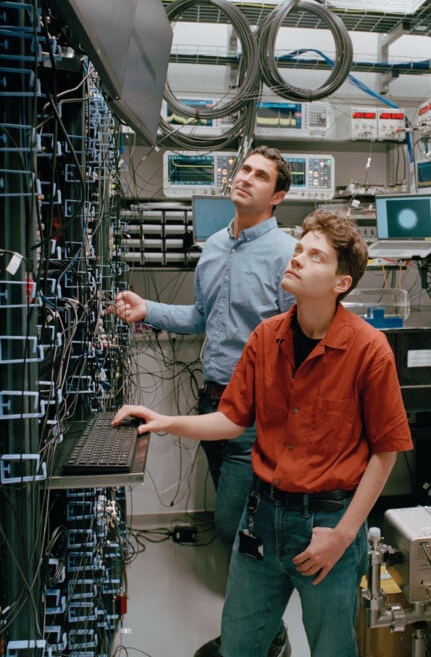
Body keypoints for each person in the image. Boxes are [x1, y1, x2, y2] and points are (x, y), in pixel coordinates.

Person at [113, 209, 413, 657]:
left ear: (341, 283)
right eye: (298, 250)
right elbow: (233, 420)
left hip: (326, 525)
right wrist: (165, 421)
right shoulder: (265, 337)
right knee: (239, 646)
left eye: (315, 256)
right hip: (261, 520)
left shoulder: (369, 350)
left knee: (332, 648)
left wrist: (344, 534)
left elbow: (386, 452)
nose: (296, 259)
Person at [112, 145, 297, 657]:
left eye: (261, 176)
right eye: (244, 170)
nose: (246, 179)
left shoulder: (286, 253)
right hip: (212, 401)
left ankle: (262, 638)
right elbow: (200, 317)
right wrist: (147, 308)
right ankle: (261, 635)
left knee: (237, 532)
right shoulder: (215, 246)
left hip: (256, 416)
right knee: (234, 529)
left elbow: (297, 339)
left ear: (277, 196)